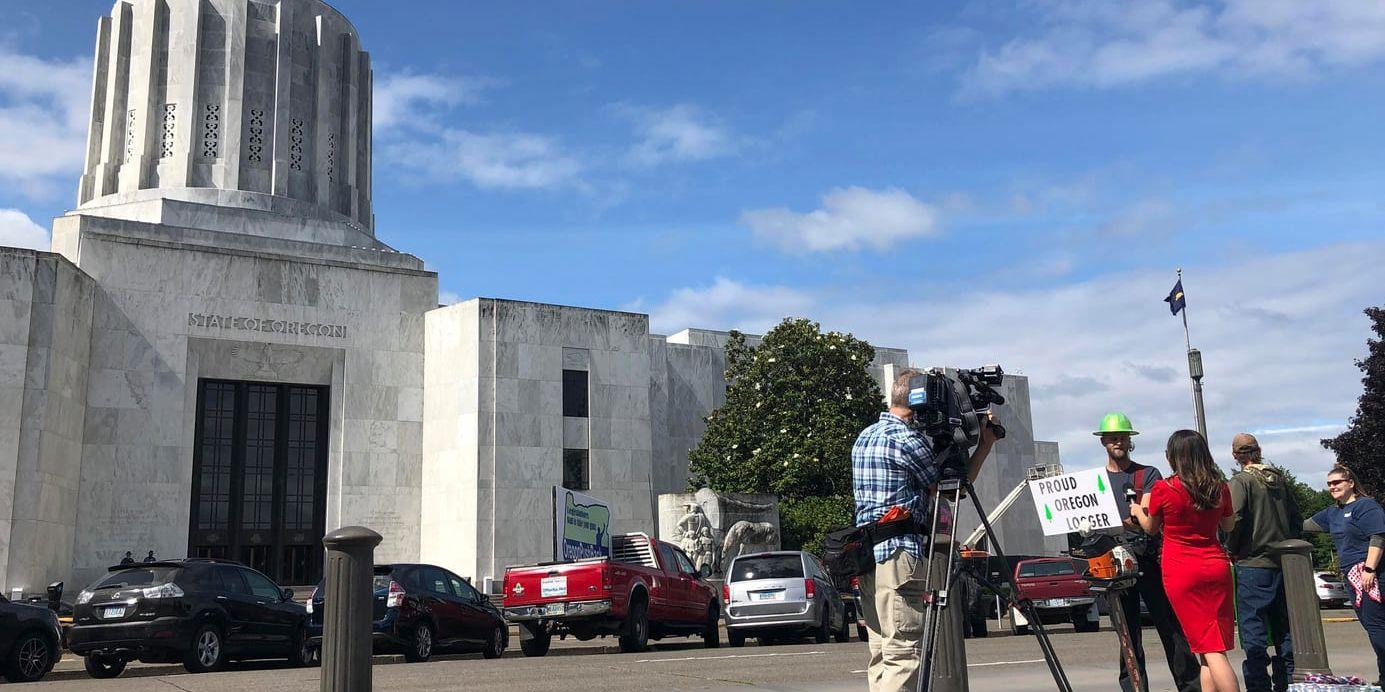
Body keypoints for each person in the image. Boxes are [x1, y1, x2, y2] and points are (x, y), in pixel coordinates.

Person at [852, 368, 998, 691]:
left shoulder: (864, 437)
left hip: (867, 558)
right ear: (918, 401)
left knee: (881, 652)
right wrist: (983, 446)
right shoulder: (908, 441)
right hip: (899, 556)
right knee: (904, 652)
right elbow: (950, 489)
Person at [1094, 412, 1202, 692]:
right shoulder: (1094, 482)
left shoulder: (1147, 474)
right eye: (1113, 438)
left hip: (1149, 560)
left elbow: (1146, 518)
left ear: (1130, 441)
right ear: (1103, 441)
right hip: (1113, 564)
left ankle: (1190, 686)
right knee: (1127, 636)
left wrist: (1126, 521)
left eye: (1123, 437)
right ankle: (1133, 688)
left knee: (1171, 628)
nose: (1118, 442)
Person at [1132, 430, 1239, 692]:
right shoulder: (1219, 487)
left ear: (1172, 457)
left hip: (1181, 569)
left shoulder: (1164, 488)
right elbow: (1229, 524)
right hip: (1216, 566)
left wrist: (1137, 510)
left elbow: (1151, 528)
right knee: (1206, 648)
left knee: (1212, 651)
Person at [1226, 433, 1299, 692]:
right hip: (1285, 563)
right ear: (1259, 450)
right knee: (1285, 627)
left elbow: (1233, 520)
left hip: (1253, 562)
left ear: (1235, 455)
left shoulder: (1241, 481)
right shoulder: (1279, 480)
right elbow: (1295, 519)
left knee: (1253, 630)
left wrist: (1231, 548)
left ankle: (1259, 686)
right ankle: (1289, 682)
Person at [1304, 465, 1385, 685]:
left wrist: (1369, 569)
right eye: (1329, 483)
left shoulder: (1365, 506)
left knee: (1377, 627)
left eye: (1337, 482)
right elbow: (1303, 525)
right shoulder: (1333, 513)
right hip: (1350, 575)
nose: (1332, 487)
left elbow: (1378, 537)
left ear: (1351, 483)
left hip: (1370, 573)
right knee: (1372, 627)